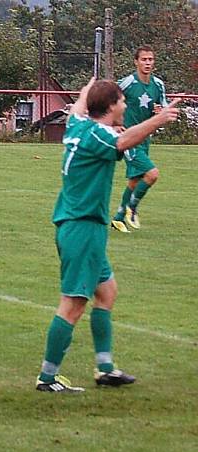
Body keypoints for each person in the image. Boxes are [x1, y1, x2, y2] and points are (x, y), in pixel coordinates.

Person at [36, 78, 180, 393]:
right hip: (83, 227)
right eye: (122, 101)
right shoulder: (98, 134)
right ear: (112, 105)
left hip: (81, 226)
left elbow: (77, 107)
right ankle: (47, 377)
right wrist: (159, 118)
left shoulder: (77, 125)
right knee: (73, 303)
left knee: (107, 292)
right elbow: (123, 141)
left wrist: (87, 88)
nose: (126, 106)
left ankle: (105, 369)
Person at [110, 46, 168, 233]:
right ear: (136, 62)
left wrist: (160, 112)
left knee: (135, 180)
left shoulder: (158, 85)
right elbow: (110, 97)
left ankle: (118, 218)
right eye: (144, 59)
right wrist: (114, 124)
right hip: (128, 138)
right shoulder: (128, 82)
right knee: (152, 174)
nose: (148, 63)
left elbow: (163, 107)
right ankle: (132, 207)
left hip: (144, 138)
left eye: (150, 59)